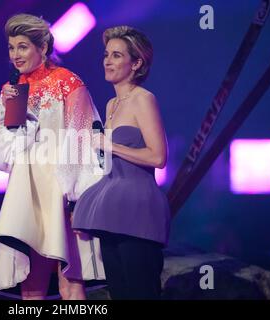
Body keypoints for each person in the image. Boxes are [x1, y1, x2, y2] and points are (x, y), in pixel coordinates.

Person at [0, 13, 105, 300]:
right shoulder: (14, 88)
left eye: (22, 46)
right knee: (31, 285)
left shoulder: (68, 82)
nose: (15, 55)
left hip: (62, 190)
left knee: (70, 281)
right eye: (11, 48)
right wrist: (4, 106)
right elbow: (6, 150)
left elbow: (82, 138)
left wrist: (76, 195)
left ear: (43, 47)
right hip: (27, 191)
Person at [72, 26, 171, 300]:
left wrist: (110, 145)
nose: (108, 61)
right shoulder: (111, 105)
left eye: (116, 55)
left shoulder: (144, 99)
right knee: (118, 293)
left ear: (136, 63)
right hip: (111, 210)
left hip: (139, 209)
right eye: (106, 54)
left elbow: (158, 157)